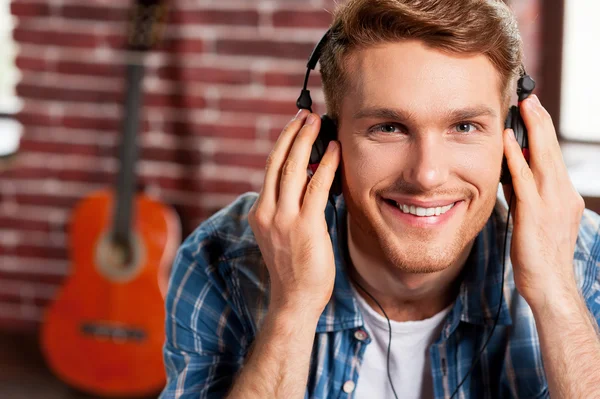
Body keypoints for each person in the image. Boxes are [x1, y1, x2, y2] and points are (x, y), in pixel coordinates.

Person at [159, 0, 600, 398]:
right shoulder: (225, 257)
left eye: (464, 127)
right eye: (388, 127)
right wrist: (292, 311)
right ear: (325, 145)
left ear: (516, 143)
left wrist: (556, 294)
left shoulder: (583, 257)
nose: (427, 175)